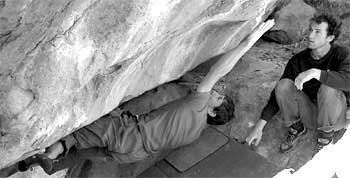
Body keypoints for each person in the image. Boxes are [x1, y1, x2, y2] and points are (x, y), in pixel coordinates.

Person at [0, 20, 275, 176]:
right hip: (131, 154)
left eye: (218, 99)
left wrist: (250, 39)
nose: (215, 93)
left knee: (76, 136)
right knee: (81, 153)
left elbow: (218, 70)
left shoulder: (197, 105)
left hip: (129, 135)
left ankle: (49, 153)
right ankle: (38, 163)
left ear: (213, 112)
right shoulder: (193, 133)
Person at [245, 13, 350, 153]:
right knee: (283, 85)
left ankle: (325, 136)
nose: (310, 36)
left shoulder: (342, 54)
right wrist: (259, 127)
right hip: (312, 114)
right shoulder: (298, 60)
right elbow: (278, 94)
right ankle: (297, 127)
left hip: (337, 116)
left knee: (328, 87)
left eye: (317, 32)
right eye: (310, 30)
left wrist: (316, 73)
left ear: (330, 37)